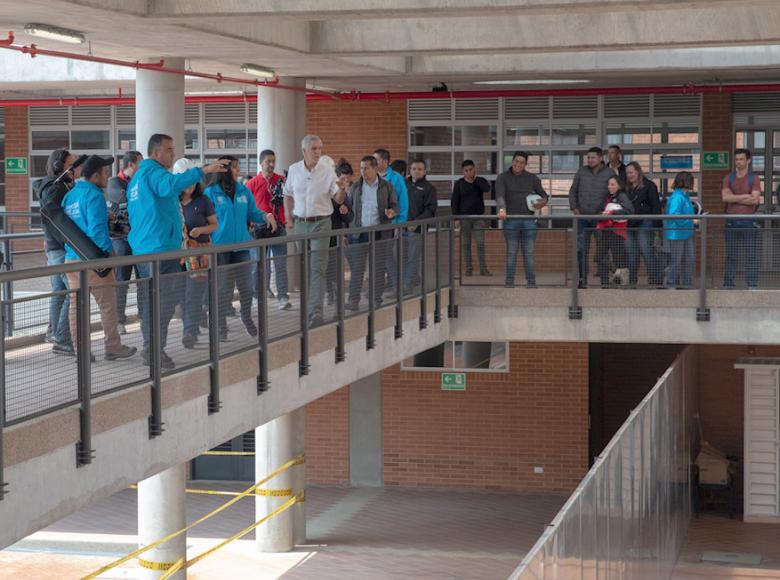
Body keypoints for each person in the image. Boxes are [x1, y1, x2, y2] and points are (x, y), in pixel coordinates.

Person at [127, 133, 227, 369]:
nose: (173, 154)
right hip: (159, 249)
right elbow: (171, 185)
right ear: (156, 152)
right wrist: (203, 170)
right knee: (163, 303)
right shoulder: (155, 174)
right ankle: (154, 351)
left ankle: (151, 348)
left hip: (146, 249)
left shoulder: (138, 178)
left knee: (152, 302)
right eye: (170, 150)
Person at [62, 155, 137, 361]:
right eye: (104, 172)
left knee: (76, 307)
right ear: (95, 175)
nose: (108, 176)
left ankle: (81, 351)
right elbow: (97, 233)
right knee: (108, 305)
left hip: (71, 258)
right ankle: (113, 346)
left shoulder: (70, 196)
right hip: (95, 261)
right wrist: (110, 256)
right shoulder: (95, 196)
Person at [205, 155, 275, 341]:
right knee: (223, 290)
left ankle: (246, 317)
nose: (238, 171)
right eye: (235, 167)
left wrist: (266, 215)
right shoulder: (210, 193)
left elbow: (253, 212)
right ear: (225, 170)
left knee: (246, 288)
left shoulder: (243, 190)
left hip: (242, 246)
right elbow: (204, 219)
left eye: (238, 167)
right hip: (220, 249)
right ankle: (220, 326)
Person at [283, 135, 343, 328]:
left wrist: (343, 189)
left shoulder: (327, 171)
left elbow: (339, 199)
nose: (318, 152)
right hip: (300, 223)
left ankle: (315, 312)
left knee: (317, 266)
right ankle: (308, 309)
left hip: (321, 223)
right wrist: (287, 216)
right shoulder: (294, 169)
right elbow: (288, 193)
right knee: (304, 265)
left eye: (320, 148)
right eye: (314, 149)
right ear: (304, 151)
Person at [33, 149, 77, 355]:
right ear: (60, 166)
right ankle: (62, 337)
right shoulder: (57, 188)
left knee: (59, 292)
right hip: (59, 247)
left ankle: (53, 331)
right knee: (72, 292)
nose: (75, 169)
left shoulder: (53, 186)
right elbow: (51, 215)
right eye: (72, 165)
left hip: (53, 246)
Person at [173, 158, 217, 349]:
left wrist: (201, 231)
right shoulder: (171, 201)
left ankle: (189, 332)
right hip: (177, 255)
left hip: (198, 255)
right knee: (182, 294)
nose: (190, 186)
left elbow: (214, 225)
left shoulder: (203, 200)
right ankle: (192, 325)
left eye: (192, 181)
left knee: (193, 294)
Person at [345, 156, 398, 311]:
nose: (363, 171)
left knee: (378, 268)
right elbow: (348, 208)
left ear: (375, 168)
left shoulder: (387, 187)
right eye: (361, 168)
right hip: (358, 233)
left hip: (379, 233)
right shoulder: (355, 187)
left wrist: (392, 212)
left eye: (366, 168)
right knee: (357, 269)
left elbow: (395, 204)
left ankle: (376, 299)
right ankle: (353, 301)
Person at [496, 151, 548, 288]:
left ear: (525, 164)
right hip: (511, 220)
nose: (518, 164)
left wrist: (542, 202)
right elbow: (500, 196)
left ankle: (531, 282)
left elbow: (544, 195)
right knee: (511, 253)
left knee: (529, 253)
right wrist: (502, 209)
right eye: (516, 161)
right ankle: (509, 283)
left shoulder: (532, 178)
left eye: (522, 162)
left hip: (529, 220)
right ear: (512, 161)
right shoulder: (502, 178)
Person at [246, 149, 291, 310]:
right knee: (258, 265)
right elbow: (247, 207)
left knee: (280, 263)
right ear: (261, 163)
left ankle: (283, 297)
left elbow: (289, 200)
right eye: (268, 162)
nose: (271, 164)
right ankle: (258, 295)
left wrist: (287, 219)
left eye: (273, 161)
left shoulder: (282, 180)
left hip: (278, 227)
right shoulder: (252, 183)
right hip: (258, 229)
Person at [105, 150, 143, 335]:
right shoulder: (114, 183)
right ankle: (119, 319)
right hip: (121, 239)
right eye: (140, 164)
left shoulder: (137, 182)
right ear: (131, 165)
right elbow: (130, 201)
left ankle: (144, 315)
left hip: (139, 238)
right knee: (122, 280)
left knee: (144, 279)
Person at [569, 146, 613, 288]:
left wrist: (607, 212)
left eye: (593, 157)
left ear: (600, 158)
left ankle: (605, 282)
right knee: (581, 250)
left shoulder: (609, 173)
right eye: (588, 157)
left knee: (602, 250)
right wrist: (574, 209)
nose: (590, 160)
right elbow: (573, 190)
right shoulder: (581, 171)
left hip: (600, 219)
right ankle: (582, 280)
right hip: (582, 218)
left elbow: (615, 193)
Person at [722, 148, 761, 289]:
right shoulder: (728, 178)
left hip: (748, 221)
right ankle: (728, 284)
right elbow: (725, 197)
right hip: (731, 221)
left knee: (751, 255)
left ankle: (752, 284)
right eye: (737, 159)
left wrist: (734, 199)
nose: (738, 162)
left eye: (741, 159)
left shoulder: (754, 178)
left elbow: (755, 200)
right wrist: (746, 196)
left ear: (748, 161)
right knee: (731, 255)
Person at [374, 149, 409, 294]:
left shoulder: (395, 178)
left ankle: (398, 285)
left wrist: (400, 222)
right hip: (374, 224)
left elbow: (403, 201)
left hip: (391, 223)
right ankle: (381, 287)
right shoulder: (371, 176)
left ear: (385, 161)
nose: (373, 162)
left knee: (386, 254)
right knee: (378, 256)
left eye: (376, 160)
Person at [451, 159, 491, 276]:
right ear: (463, 172)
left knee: (480, 242)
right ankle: (469, 268)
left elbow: (487, 189)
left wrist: (475, 180)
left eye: (471, 170)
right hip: (464, 218)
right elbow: (454, 201)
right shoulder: (459, 183)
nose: (468, 172)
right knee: (466, 244)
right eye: (466, 171)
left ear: (474, 169)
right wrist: (456, 218)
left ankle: (483, 269)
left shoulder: (480, 181)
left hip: (478, 217)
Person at [625, 161, 662, 287]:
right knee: (631, 254)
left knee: (647, 252)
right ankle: (632, 281)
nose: (629, 175)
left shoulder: (649, 185)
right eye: (627, 173)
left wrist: (657, 227)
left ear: (638, 171)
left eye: (631, 172)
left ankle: (654, 280)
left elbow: (656, 206)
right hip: (629, 225)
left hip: (645, 223)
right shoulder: (626, 188)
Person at [404, 158, 438, 292]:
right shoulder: (403, 184)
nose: (416, 171)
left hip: (416, 229)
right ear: (410, 170)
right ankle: (413, 279)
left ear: (424, 172)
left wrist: (416, 223)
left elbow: (431, 209)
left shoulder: (428, 188)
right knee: (401, 257)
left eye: (419, 169)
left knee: (413, 257)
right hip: (401, 227)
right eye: (414, 169)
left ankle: (408, 285)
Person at [596, 176, 634, 288]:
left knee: (617, 257)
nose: (609, 186)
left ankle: (618, 282)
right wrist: (601, 215)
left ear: (619, 186)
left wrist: (612, 214)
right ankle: (607, 281)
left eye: (612, 184)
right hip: (605, 230)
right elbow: (600, 210)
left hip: (616, 231)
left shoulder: (622, 196)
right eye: (609, 184)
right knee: (600, 256)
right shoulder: (607, 196)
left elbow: (629, 211)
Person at [327, 159, 355, 305]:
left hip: (337, 234)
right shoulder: (327, 189)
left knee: (336, 266)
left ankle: (336, 295)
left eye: (348, 180)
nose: (345, 183)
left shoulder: (345, 195)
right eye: (342, 179)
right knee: (324, 266)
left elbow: (350, 217)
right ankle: (329, 293)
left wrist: (345, 212)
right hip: (323, 233)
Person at [664, 171, 696, 289]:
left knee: (689, 259)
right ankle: (672, 284)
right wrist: (692, 221)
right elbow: (674, 215)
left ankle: (686, 284)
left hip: (685, 233)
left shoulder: (684, 196)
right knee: (676, 261)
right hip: (676, 233)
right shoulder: (678, 197)